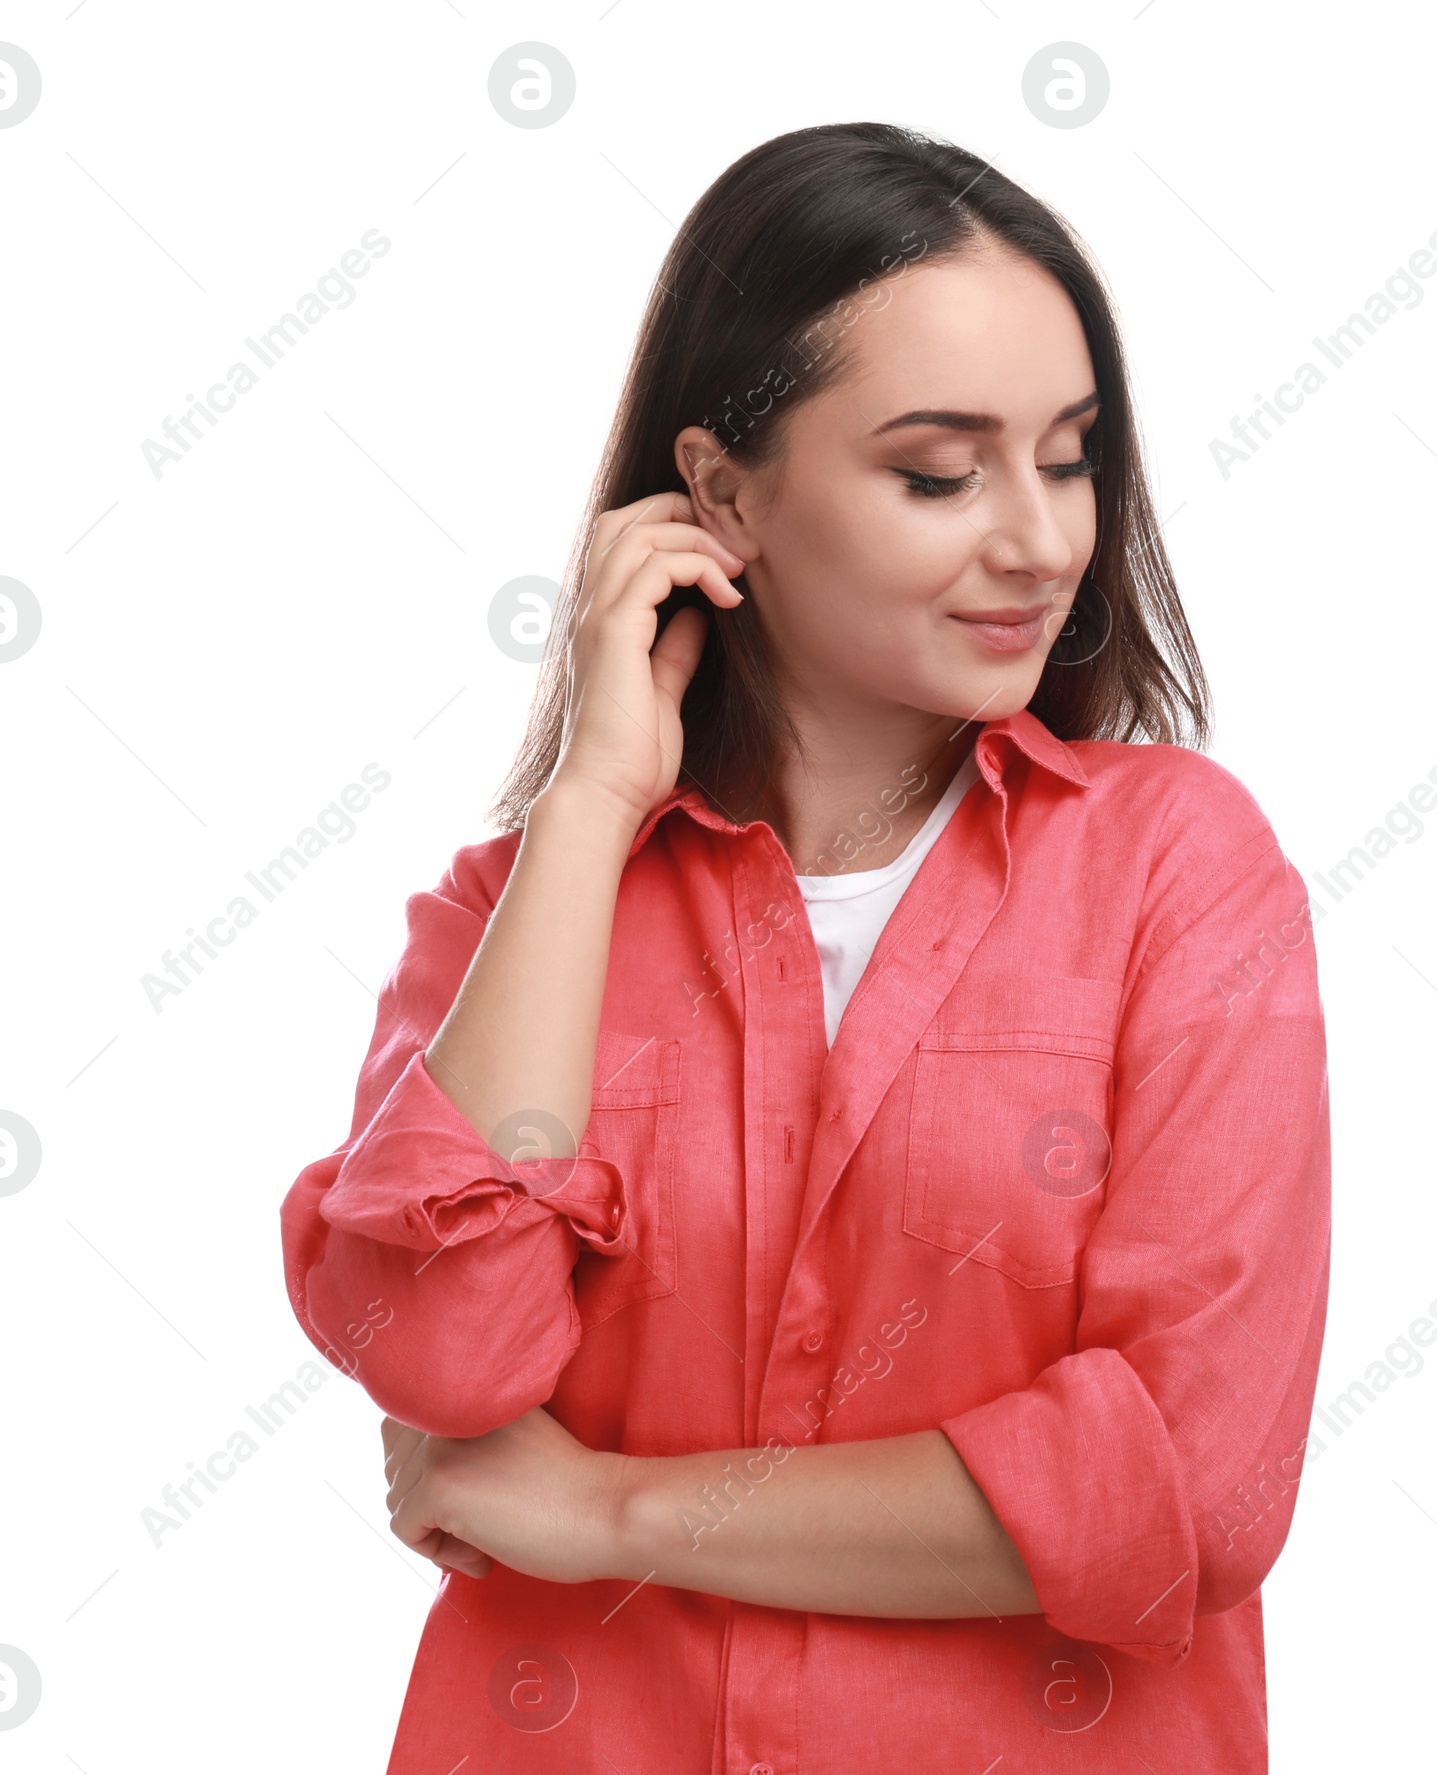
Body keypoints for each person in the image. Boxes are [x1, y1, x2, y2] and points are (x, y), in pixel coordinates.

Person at [280, 120, 1331, 1774]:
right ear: (718, 495)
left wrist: (611, 1507)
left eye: (1069, 457)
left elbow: (1185, 1490)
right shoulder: (520, 916)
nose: (1045, 541)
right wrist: (591, 801)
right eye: (938, 472)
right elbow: (442, 1352)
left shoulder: (1176, 872)